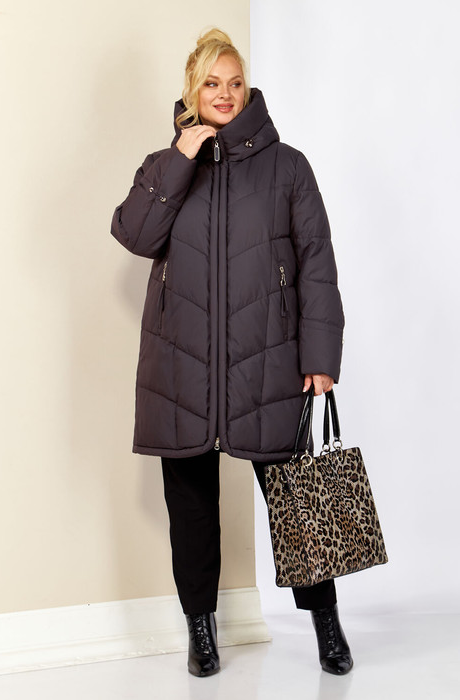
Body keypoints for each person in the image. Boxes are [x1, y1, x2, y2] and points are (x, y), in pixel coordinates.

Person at [110, 28, 352, 677]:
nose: (225, 94)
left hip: (267, 360)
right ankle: (201, 632)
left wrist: (320, 356)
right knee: (190, 510)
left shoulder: (288, 167)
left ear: (248, 90)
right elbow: (134, 234)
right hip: (180, 365)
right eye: (212, 83)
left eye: (235, 82)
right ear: (193, 90)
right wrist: (182, 157)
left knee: (298, 502)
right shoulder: (165, 165)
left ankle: (327, 622)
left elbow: (316, 264)